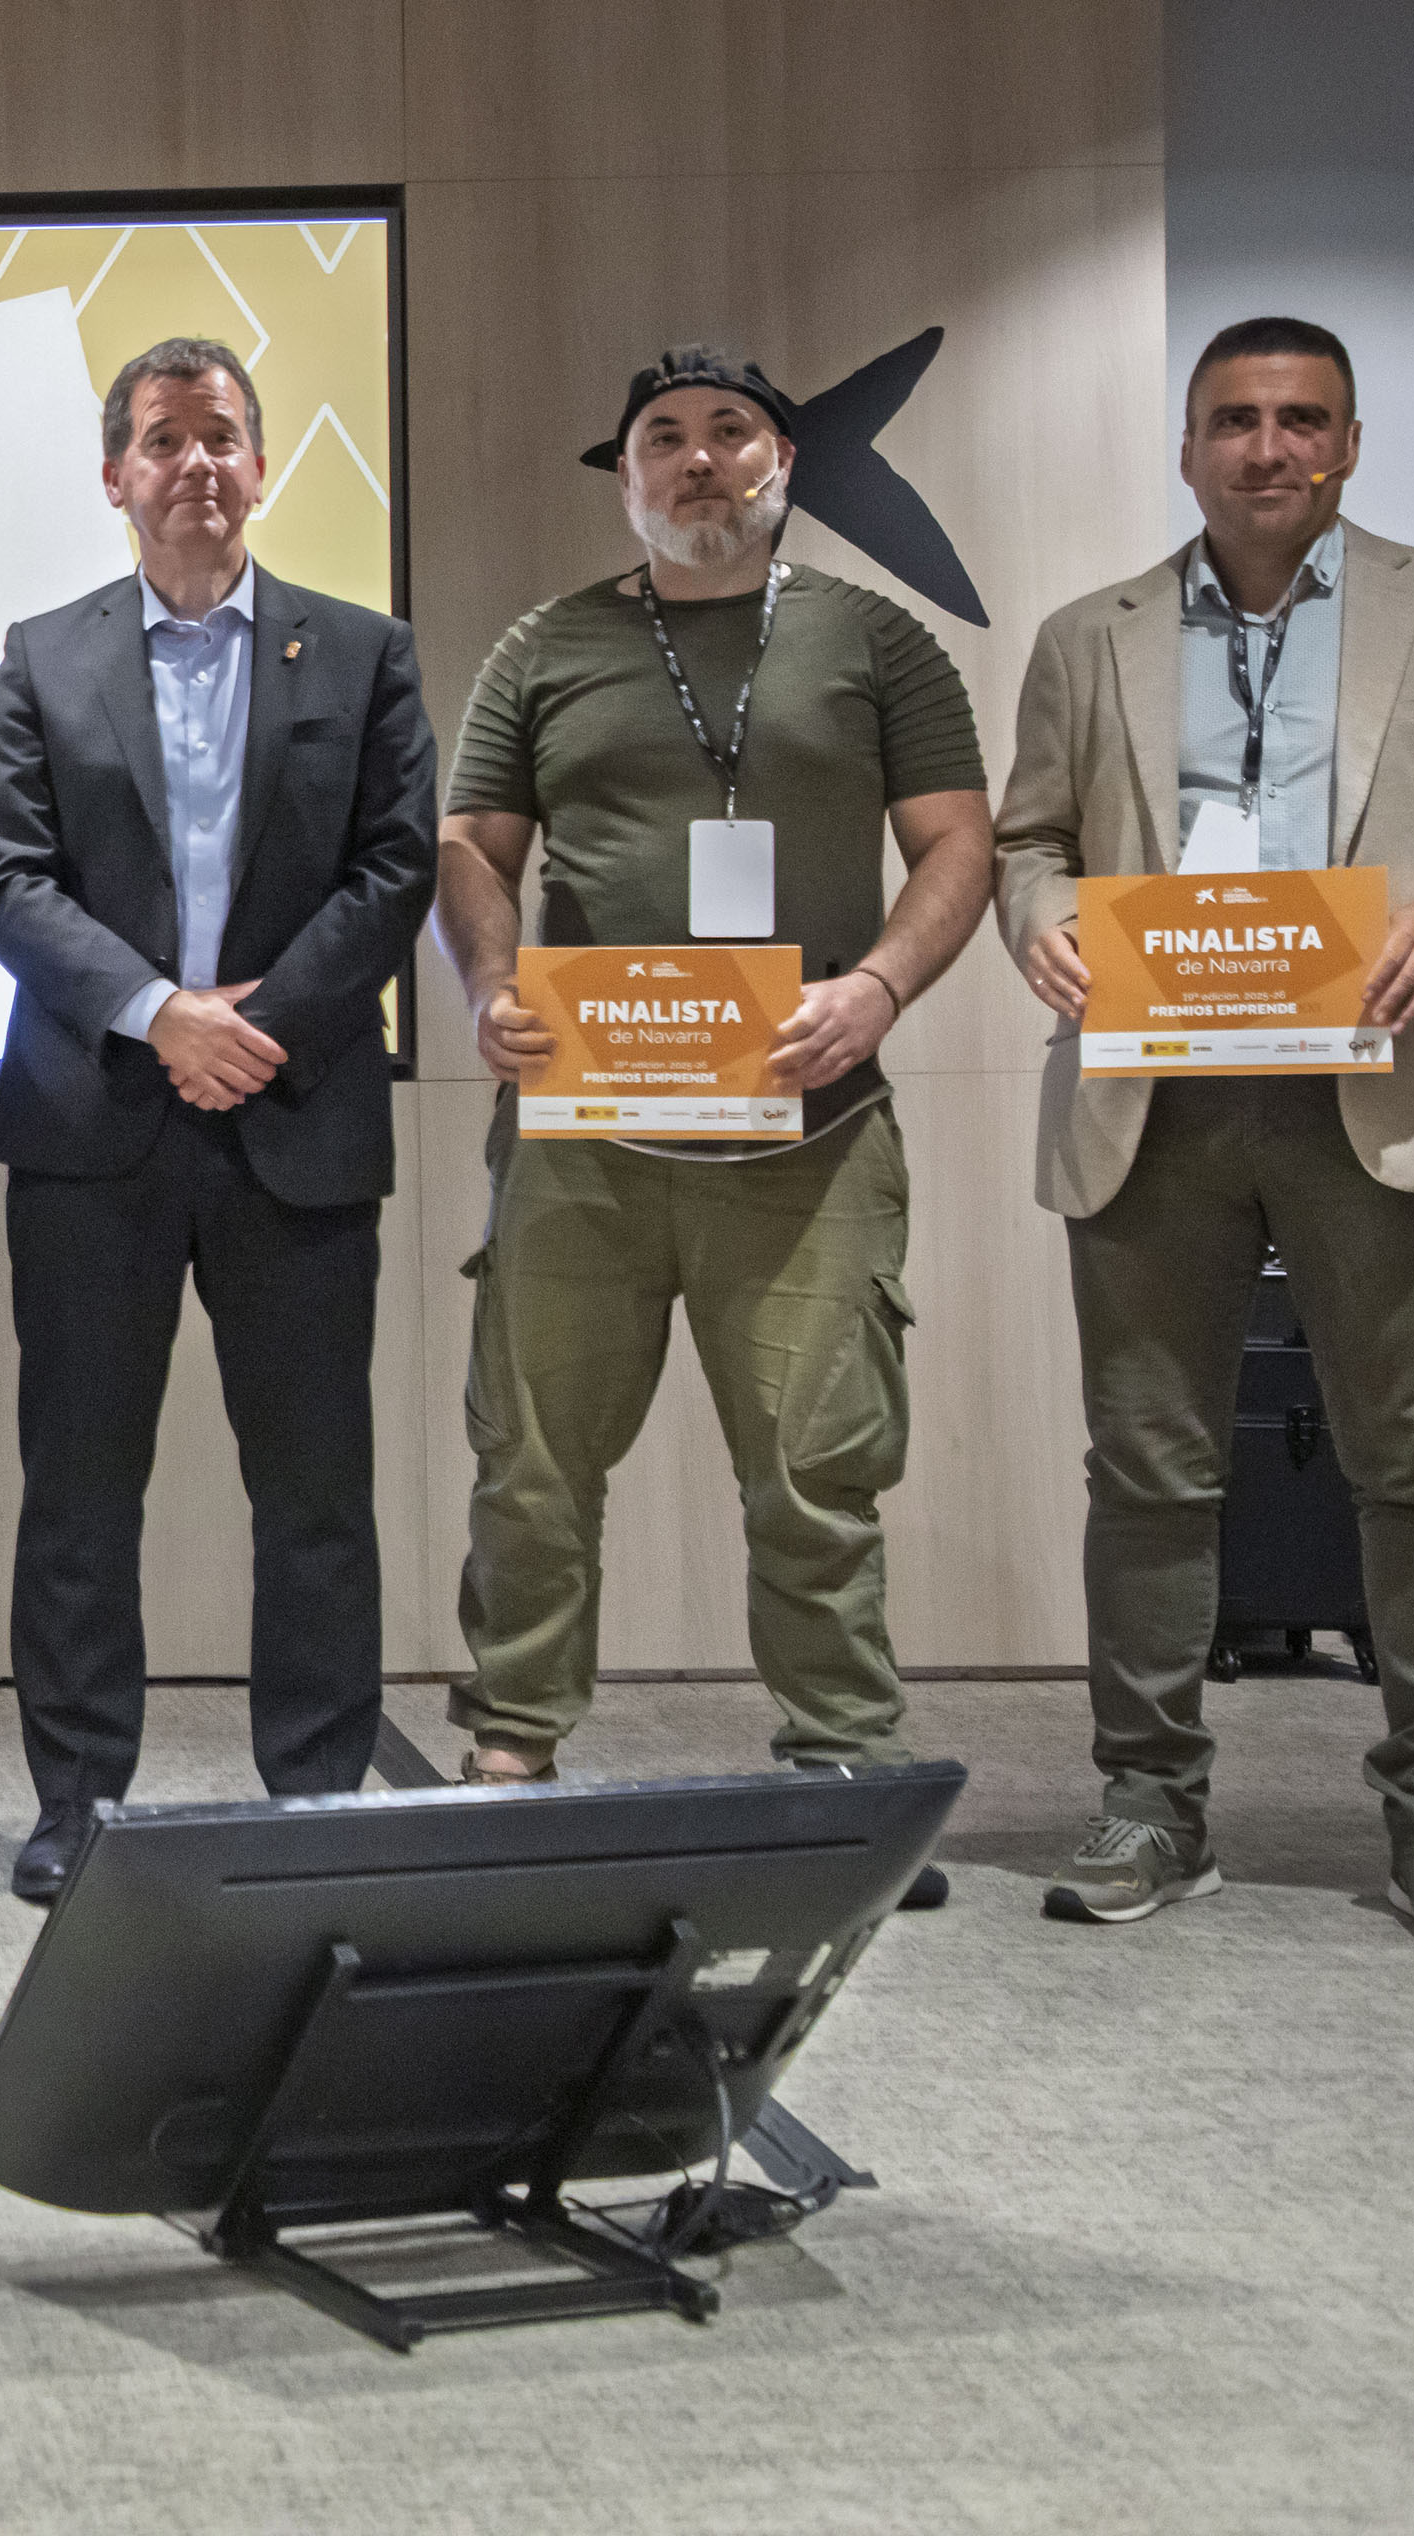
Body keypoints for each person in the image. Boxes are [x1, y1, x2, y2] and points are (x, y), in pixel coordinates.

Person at [997, 316, 1414, 1951]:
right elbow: (1030, 840)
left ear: (1349, 442)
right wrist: (1039, 920)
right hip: (1158, 1101)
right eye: (1235, 420)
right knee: (1147, 1469)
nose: (1269, 446)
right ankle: (1148, 1804)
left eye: (1302, 420)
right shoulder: (1086, 635)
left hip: (1386, 1093)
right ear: (1187, 447)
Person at [433, 346, 994, 1833]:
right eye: (663, 439)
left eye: (730, 434)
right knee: (535, 1468)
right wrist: (489, 987)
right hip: (582, 1136)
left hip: (812, 1130)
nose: (698, 460)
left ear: (783, 464)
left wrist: (874, 989)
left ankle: (842, 1763)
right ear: (626, 479)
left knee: (816, 1471)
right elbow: (474, 850)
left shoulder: (883, 644)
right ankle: (512, 1751)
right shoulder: (541, 646)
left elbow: (959, 845)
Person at [0, 335, 437, 1905]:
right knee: (82, 1490)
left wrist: (252, 1028)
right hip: (94, 1125)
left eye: (222, 436)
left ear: (263, 463)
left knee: (311, 1492)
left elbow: (395, 870)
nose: (196, 466)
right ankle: (78, 1804)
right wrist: (159, 1015)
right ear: (116, 477)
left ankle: (314, 1794)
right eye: (162, 441)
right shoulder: (42, 655)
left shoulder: (363, 650)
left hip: (295, 1117)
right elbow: (7, 880)